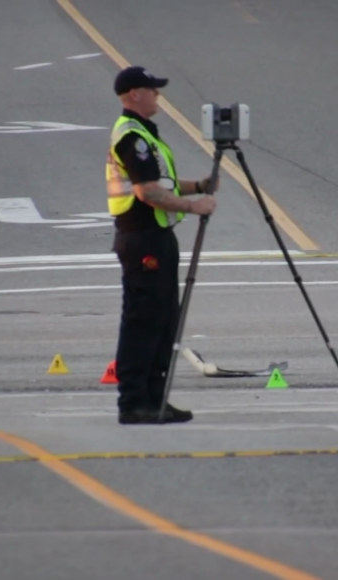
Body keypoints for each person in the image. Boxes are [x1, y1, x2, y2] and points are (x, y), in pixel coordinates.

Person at [105, 66, 218, 425]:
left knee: (164, 320)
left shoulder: (143, 134)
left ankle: (155, 398)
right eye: (153, 90)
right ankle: (135, 401)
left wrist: (198, 186)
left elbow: (161, 182)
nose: (158, 95)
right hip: (143, 239)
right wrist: (193, 206)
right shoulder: (132, 137)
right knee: (144, 321)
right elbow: (148, 192)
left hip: (154, 238)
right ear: (135, 94)